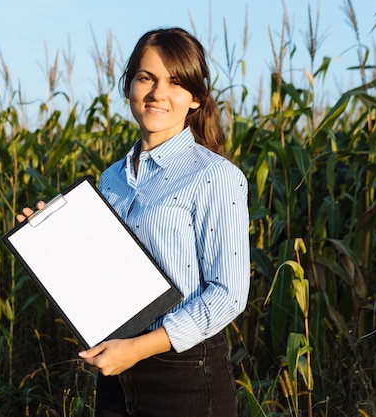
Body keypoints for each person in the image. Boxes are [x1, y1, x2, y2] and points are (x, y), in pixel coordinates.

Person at [19, 27, 250, 417]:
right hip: (117, 371)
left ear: (195, 99)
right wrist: (51, 242)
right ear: (129, 86)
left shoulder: (214, 176)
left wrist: (138, 348)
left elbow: (228, 294)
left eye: (175, 83)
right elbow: (107, 275)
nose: (158, 93)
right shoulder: (111, 179)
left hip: (185, 375)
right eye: (147, 77)